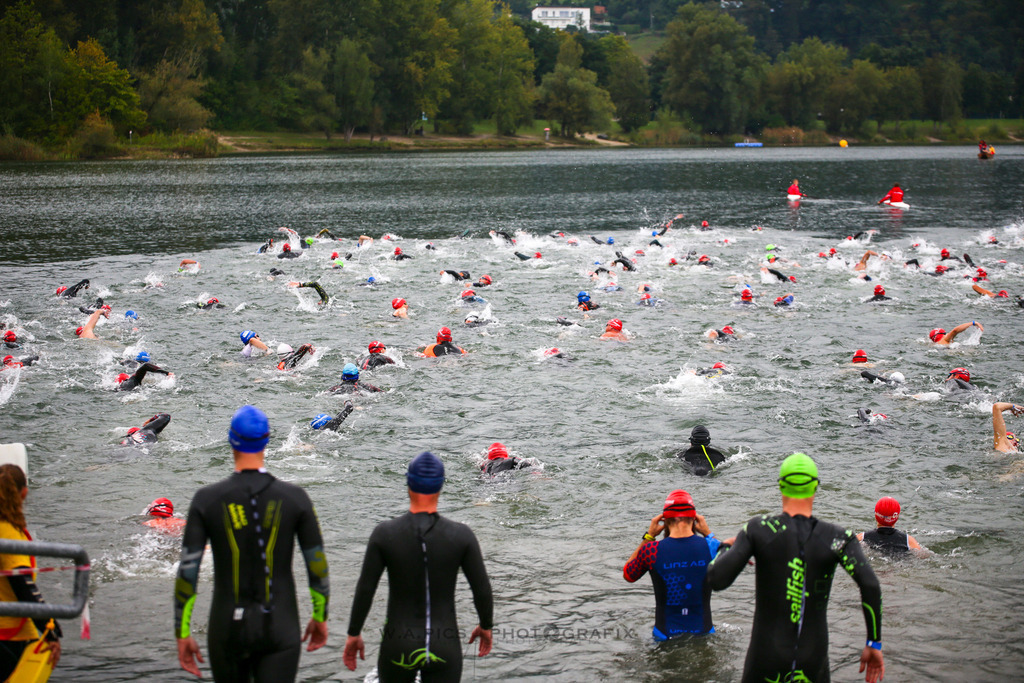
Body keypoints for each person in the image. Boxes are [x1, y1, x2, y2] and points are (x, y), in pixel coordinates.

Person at [174, 405, 329, 682]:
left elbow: (188, 573)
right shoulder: (295, 498)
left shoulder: (206, 500)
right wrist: (320, 616)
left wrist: (182, 633)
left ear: (230, 439)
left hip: (226, 631)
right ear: (267, 439)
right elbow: (317, 566)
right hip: (281, 628)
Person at [707, 453, 884, 683]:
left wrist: (724, 548)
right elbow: (870, 584)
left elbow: (716, 579)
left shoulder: (758, 529)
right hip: (813, 661)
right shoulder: (839, 538)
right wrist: (873, 642)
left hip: (765, 660)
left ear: (781, 486)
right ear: (815, 487)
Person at [343, 451, 493, 681]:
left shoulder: (384, 533)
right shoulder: (461, 536)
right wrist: (486, 625)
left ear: (408, 482)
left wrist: (354, 633)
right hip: (444, 645)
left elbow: (365, 589)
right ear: (441, 485)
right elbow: (481, 589)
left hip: (398, 642)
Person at [623, 489, 720, 639]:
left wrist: (649, 537)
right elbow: (734, 560)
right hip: (705, 633)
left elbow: (628, 574)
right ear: (695, 519)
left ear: (664, 520)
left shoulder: (651, 550)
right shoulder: (711, 547)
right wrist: (709, 534)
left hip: (664, 636)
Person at [0, 464, 61, 679]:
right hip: (7, 634)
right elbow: (22, 584)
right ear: (24, 493)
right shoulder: (8, 532)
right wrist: (48, 629)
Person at [856, 497, 922, 553]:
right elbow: (923, 555)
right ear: (897, 517)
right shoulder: (909, 540)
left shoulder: (862, 537)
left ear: (876, 515)